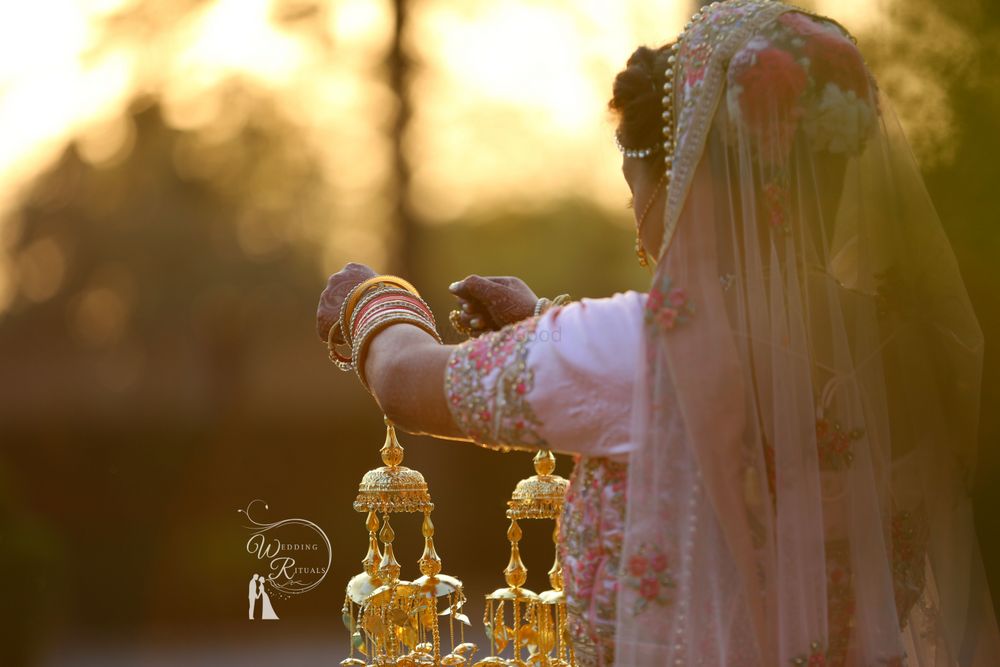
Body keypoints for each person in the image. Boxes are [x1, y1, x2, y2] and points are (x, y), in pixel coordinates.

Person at [317, 1, 1000, 665]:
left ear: (684, 182)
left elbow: (407, 383)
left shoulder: (639, 350)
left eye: (633, 181)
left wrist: (374, 302)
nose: (635, 210)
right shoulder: (901, 346)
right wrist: (548, 323)